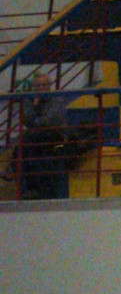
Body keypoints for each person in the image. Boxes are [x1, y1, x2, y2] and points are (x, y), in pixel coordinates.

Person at [10, 72, 71, 200]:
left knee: (28, 138)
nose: (41, 88)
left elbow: (48, 122)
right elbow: (26, 120)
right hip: (37, 134)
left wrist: (34, 120)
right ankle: (32, 189)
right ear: (34, 88)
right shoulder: (31, 101)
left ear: (49, 86)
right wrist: (35, 106)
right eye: (38, 86)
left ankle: (12, 168)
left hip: (56, 134)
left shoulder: (56, 100)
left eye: (44, 85)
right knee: (30, 146)